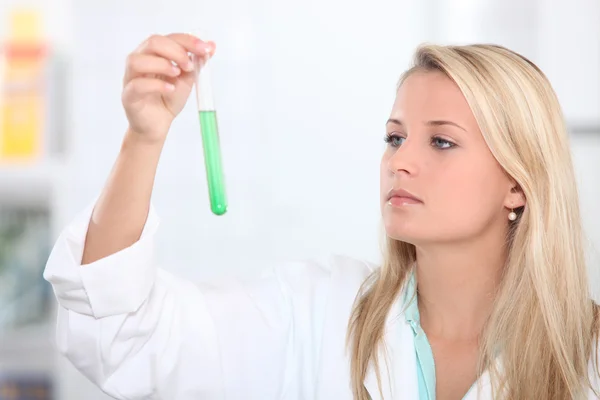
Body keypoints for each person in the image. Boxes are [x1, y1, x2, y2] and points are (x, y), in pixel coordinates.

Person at [42, 32, 600, 400]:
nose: (399, 162)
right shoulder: (319, 312)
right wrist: (144, 139)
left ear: (517, 186)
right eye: (394, 137)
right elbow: (120, 335)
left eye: (442, 143)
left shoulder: (587, 355)